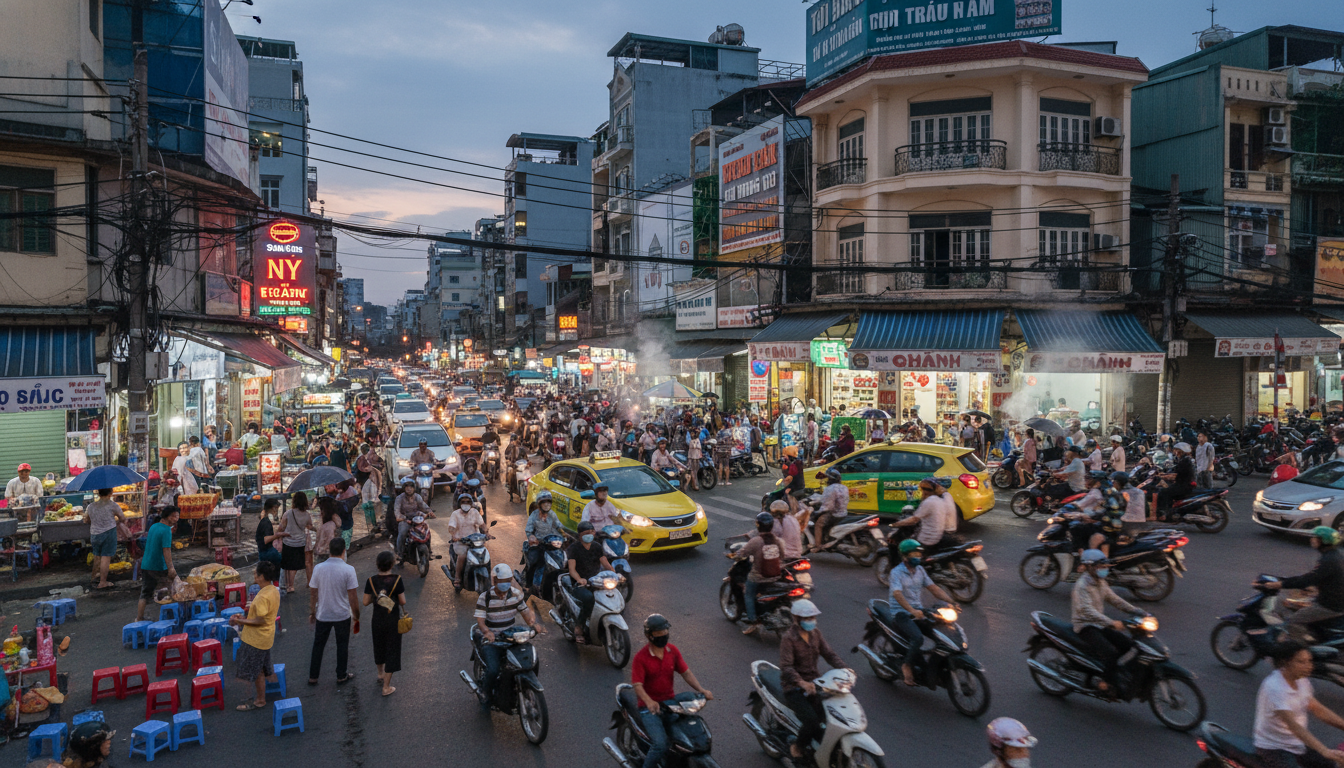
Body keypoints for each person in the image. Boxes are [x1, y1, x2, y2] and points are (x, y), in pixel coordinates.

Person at [631, 614, 714, 768]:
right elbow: (637, 685)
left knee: (691, 720)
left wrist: (702, 690)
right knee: (660, 744)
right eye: (659, 633)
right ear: (649, 636)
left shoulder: (672, 651)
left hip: (670, 701)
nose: (663, 636)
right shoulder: (640, 658)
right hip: (649, 709)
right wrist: (649, 702)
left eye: (665, 632)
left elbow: (686, 673)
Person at [1253, 642, 1344, 768]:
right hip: (1274, 748)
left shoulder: (1302, 681)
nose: (1309, 666)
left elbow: (1317, 708)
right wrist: (1324, 751)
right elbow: (1294, 726)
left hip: (1296, 744)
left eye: (1309, 661)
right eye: (1301, 662)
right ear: (1286, 663)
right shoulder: (1275, 687)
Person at [779, 599, 849, 761]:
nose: (811, 621)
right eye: (807, 618)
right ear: (796, 619)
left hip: (816, 683)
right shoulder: (788, 639)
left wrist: (845, 669)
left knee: (832, 717)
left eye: (812, 617)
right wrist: (801, 683)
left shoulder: (816, 633)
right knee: (812, 722)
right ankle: (797, 747)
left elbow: (829, 654)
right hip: (793, 687)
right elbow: (786, 667)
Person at [1071, 549, 1145, 695]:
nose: (1104, 569)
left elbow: (1114, 599)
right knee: (1111, 652)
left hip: (1099, 623)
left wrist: (1137, 611)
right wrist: (1111, 622)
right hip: (1085, 626)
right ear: (1090, 567)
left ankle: (1116, 673)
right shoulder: (1082, 586)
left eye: (1105, 566)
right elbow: (1087, 611)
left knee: (1130, 645)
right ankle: (1104, 682)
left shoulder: (1100, 582)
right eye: (1101, 567)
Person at [474, 564, 545, 705]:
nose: (506, 583)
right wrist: (487, 632)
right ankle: (485, 693)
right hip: (493, 640)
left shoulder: (516, 594)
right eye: (502, 580)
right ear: (495, 581)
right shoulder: (485, 597)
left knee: (531, 661)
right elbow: (480, 622)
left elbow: (525, 612)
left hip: (512, 638)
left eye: (508, 579)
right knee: (493, 669)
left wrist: (533, 624)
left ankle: (524, 686)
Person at [887, 539, 955, 686]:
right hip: (901, 613)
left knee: (941, 632)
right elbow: (897, 594)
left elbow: (933, 588)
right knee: (918, 638)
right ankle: (906, 665)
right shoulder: (896, 573)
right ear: (905, 556)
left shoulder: (920, 571)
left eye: (919, 553)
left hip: (919, 610)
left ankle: (932, 666)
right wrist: (911, 610)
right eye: (914, 554)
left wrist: (952, 602)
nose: (917, 556)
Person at [1265, 527, 1344, 643]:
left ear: (1323, 541)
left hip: (1330, 605)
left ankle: (1300, 652)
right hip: (1335, 599)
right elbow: (1325, 578)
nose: (1311, 540)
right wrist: (1312, 587)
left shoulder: (1328, 560)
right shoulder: (1335, 556)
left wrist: (1280, 584)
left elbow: (1306, 579)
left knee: (1293, 621)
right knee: (1298, 606)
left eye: (1315, 538)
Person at [230, 559, 282, 710]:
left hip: (256, 639)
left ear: (261, 577)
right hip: (266, 636)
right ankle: (269, 691)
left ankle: (259, 700)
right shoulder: (273, 590)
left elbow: (259, 620)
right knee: (263, 667)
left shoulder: (261, 597)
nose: (254, 574)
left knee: (257, 671)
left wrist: (241, 622)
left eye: (256, 573)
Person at [308, 537, 360, 686]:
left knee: (318, 645)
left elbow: (313, 593)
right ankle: (341, 675)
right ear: (344, 551)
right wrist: (356, 615)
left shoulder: (318, 568)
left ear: (329, 550)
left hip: (323, 614)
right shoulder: (348, 570)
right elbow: (353, 597)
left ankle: (313, 676)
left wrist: (312, 612)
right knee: (342, 645)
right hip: (341, 615)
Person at [363, 550, 406, 697]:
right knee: (392, 651)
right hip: (392, 621)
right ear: (392, 564)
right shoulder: (397, 579)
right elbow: (402, 601)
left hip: (377, 620)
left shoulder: (371, 580)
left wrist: (378, 597)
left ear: (377, 564)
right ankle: (386, 687)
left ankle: (380, 673)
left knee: (379, 646)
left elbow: (365, 602)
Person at [734, 512, 783, 635]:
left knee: (748, 595)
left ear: (758, 525)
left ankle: (753, 621)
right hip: (776, 575)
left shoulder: (756, 541)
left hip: (758, 577)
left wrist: (735, 555)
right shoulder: (777, 540)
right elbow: (782, 555)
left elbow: (742, 553)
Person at [566, 521, 612, 644]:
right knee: (588, 599)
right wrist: (579, 579)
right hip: (580, 584)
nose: (590, 535)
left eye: (592, 532)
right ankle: (579, 627)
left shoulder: (597, 546)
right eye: (587, 533)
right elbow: (572, 570)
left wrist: (615, 574)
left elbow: (605, 563)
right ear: (580, 535)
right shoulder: (573, 548)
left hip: (596, 581)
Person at [891, 477, 957, 551]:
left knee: (909, 547)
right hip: (950, 531)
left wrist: (895, 524)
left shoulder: (931, 501)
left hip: (937, 534)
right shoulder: (947, 496)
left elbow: (914, 520)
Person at [136, 506, 178, 622]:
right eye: (174, 516)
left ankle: (139, 618)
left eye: (177, 516)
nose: (176, 519)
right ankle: (173, 616)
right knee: (172, 589)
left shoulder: (154, 527)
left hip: (146, 564)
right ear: (167, 516)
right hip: (158, 566)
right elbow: (166, 550)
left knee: (145, 593)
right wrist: (171, 568)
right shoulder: (166, 530)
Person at [86, 487, 125, 590]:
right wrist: (115, 520)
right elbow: (123, 518)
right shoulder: (113, 505)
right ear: (111, 493)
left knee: (97, 556)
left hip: (94, 533)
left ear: (98, 494)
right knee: (106, 557)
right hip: (109, 533)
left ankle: (94, 578)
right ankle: (103, 582)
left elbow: (86, 520)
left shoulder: (91, 506)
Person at [523, 491, 564, 588]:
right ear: (539, 504)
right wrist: (532, 537)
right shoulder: (534, 515)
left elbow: (559, 526)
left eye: (548, 502)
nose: (546, 505)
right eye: (544, 502)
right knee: (535, 562)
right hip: (538, 544)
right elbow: (529, 530)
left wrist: (565, 534)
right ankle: (529, 585)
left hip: (551, 543)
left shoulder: (552, 515)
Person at [448, 492, 486, 588]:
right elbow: (451, 527)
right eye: (463, 502)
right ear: (459, 504)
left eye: (468, 502)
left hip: (475, 541)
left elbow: (482, 524)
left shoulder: (475, 512)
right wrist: (453, 535)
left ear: (471, 503)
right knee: (462, 556)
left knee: (484, 554)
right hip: (461, 541)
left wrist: (487, 532)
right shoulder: (455, 514)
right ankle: (457, 577)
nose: (466, 504)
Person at [393, 479, 433, 564]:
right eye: (407, 487)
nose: (409, 489)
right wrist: (401, 517)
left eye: (411, 487)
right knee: (403, 532)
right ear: (404, 488)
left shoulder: (417, 496)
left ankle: (429, 551)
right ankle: (400, 554)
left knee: (426, 530)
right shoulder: (399, 498)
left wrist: (430, 512)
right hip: (405, 519)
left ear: (414, 488)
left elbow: (423, 506)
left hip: (417, 519)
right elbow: (397, 511)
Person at [1154, 442, 1196, 521]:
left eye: (1176, 450)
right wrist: (1163, 475)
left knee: (1163, 492)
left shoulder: (1185, 461)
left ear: (1180, 451)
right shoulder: (1184, 459)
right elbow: (1175, 471)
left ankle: (1164, 514)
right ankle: (1170, 512)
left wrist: (1162, 476)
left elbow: (1175, 475)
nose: (1175, 452)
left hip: (1183, 485)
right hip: (1184, 484)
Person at [811, 468, 849, 552]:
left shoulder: (829, 489)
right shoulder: (844, 487)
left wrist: (817, 512)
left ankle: (818, 546)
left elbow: (828, 507)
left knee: (818, 524)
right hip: (843, 513)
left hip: (834, 514)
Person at [1113, 472, 1147, 537]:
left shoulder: (1120, 493)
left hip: (1126, 523)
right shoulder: (1139, 491)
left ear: (1117, 483)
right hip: (1141, 521)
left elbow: (1116, 508)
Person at [255, 498, 284, 568]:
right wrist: (278, 535)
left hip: (263, 551)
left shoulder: (264, 521)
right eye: (275, 508)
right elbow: (266, 539)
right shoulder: (266, 522)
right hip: (267, 552)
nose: (276, 511)